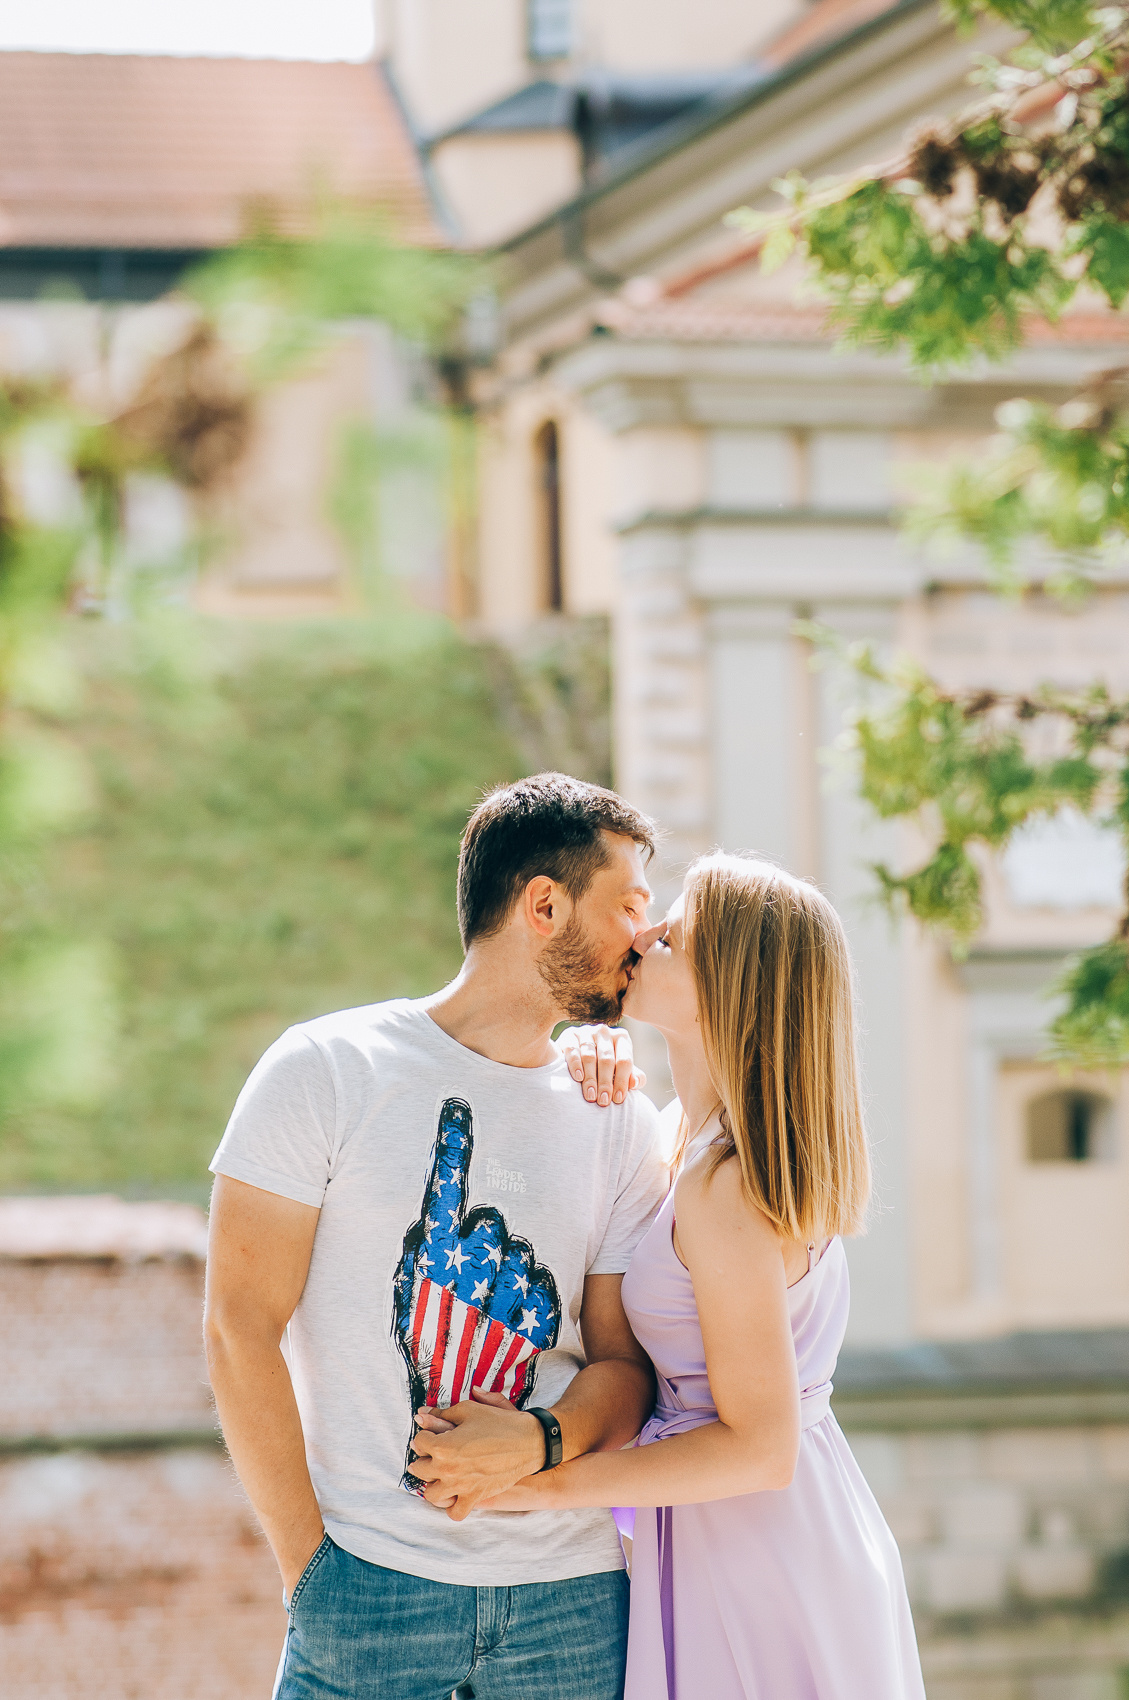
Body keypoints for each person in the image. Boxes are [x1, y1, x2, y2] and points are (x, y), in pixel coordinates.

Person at [413, 853, 926, 1700]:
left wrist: (537, 1485)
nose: (644, 935)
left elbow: (762, 1450)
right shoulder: (680, 1132)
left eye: (675, 936)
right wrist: (591, 1055)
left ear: (730, 986)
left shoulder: (724, 1187)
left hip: (760, 1554)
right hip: (722, 1533)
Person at [204, 772, 670, 1700]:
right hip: (366, 1593)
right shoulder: (326, 1070)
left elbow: (624, 1368)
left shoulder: (613, 1114)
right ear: (544, 904)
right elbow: (236, 1331)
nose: (645, 938)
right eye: (628, 905)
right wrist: (312, 1573)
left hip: (571, 1604)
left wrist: (540, 1438)